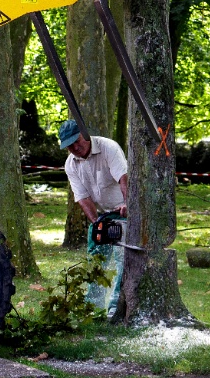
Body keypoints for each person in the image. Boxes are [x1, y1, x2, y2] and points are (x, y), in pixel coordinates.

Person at [59, 118, 127, 321]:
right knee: (96, 261)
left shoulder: (108, 148)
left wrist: (128, 204)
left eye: (78, 141)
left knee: (123, 261)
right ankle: (93, 308)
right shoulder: (71, 164)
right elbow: (82, 197)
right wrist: (95, 222)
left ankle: (115, 308)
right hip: (102, 214)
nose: (75, 147)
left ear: (85, 135)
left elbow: (124, 179)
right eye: (70, 145)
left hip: (123, 209)